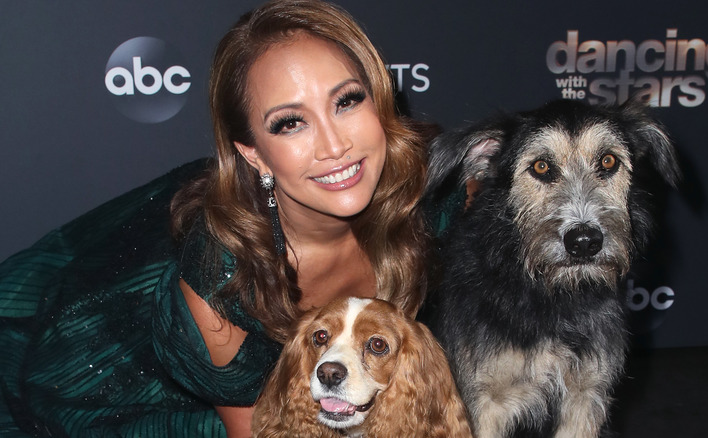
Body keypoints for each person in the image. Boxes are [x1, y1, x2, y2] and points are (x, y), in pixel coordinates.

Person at [0, 1, 443, 436]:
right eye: (290, 123)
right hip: (116, 370)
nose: (333, 147)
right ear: (253, 153)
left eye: (346, 101)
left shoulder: (442, 185)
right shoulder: (219, 285)